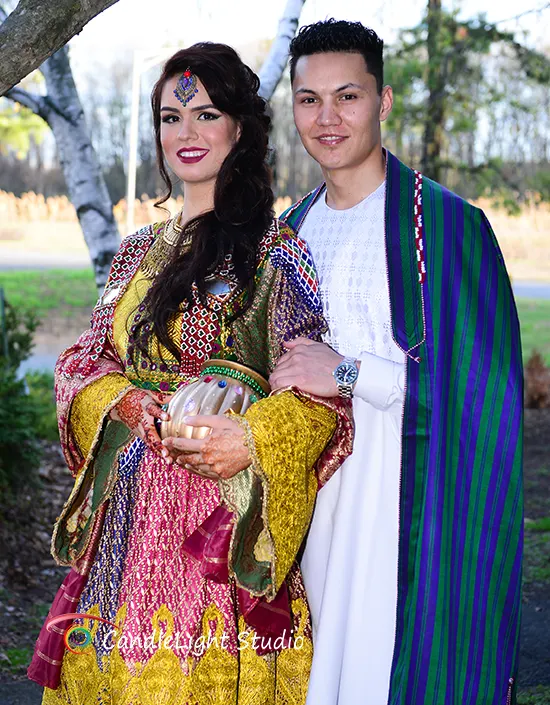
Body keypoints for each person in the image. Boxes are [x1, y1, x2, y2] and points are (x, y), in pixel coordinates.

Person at [27, 42, 352, 705]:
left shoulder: (277, 252)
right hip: (128, 522)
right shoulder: (136, 252)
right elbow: (82, 361)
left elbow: (316, 396)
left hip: (220, 528)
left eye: (205, 114)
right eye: (170, 118)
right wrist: (119, 402)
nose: (187, 133)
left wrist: (252, 437)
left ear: (240, 128)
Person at [271, 19, 523, 705]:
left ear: (382, 103)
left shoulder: (446, 227)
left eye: (347, 96)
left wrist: (348, 371)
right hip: (313, 514)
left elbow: (486, 396)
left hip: (407, 510)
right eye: (308, 98)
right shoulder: (288, 233)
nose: (327, 118)